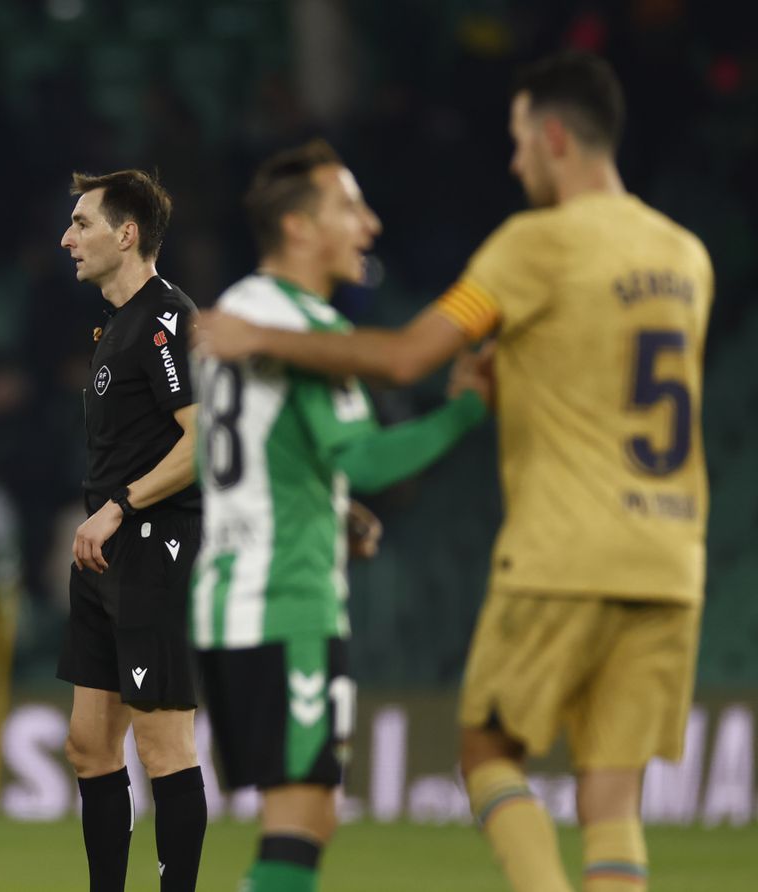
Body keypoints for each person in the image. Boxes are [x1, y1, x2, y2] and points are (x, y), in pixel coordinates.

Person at [199, 52, 711, 892]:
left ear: (552, 137)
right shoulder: (688, 257)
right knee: (613, 798)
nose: (512, 162)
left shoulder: (533, 245)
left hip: (565, 551)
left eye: (517, 142)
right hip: (671, 558)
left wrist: (264, 343)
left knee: (486, 751)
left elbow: (406, 358)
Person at [192, 139, 491, 892]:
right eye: (350, 208)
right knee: (301, 817)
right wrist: (464, 413)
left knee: (301, 817)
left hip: (230, 594)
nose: (371, 224)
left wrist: (332, 507)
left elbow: (262, 456)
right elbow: (371, 460)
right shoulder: (304, 329)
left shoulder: (236, 311)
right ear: (299, 227)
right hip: (285, 600)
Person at [56, 170, 207, 892]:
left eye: (82, 224)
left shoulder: (166, 318)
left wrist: (121, 504)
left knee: (162, 742)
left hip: (155, 546)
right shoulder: (113, 325)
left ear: (128, 234)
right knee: (89, 746)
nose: (67, 238)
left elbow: (202, 440)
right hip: (105, 556)